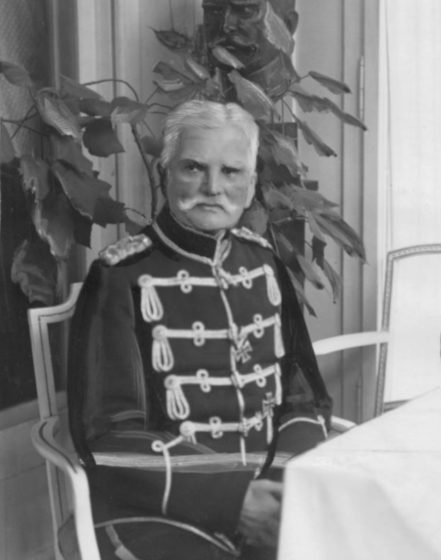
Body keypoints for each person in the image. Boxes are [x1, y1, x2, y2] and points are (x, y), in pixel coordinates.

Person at [68, 100, 330, 560]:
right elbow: (108, 435)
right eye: (194, 168)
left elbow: (301, 397)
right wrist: (232, 501)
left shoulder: (264, 261)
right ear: (165, 172)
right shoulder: (119, 274)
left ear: (250, 187)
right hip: (156, 508)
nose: (213, 187)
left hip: (269, 492)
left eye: (231, 172)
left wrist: (285, 485)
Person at [202, 0, 299, 99]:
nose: (226, 25)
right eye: (214, 10)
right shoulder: (206, 90)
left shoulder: (292, 96)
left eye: (245, 11)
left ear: (287, 25)